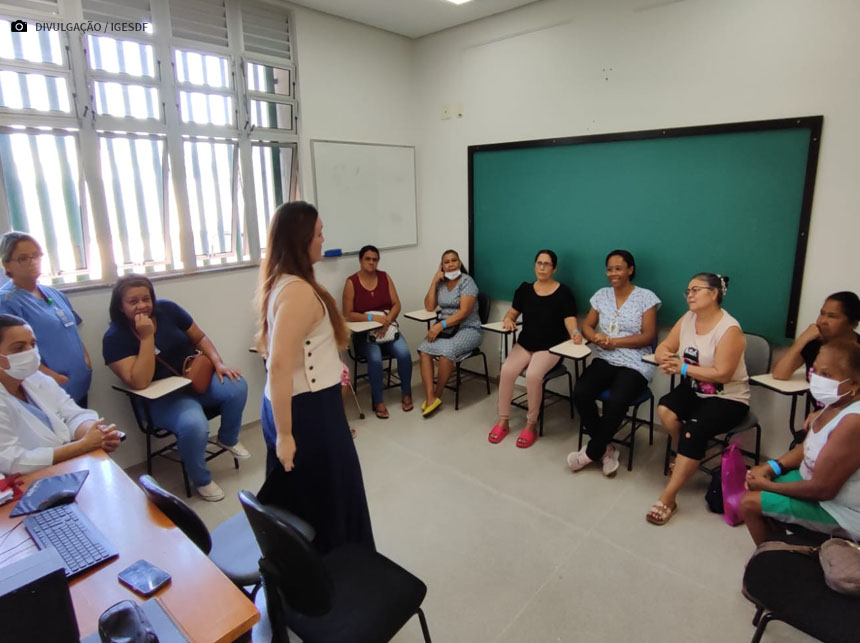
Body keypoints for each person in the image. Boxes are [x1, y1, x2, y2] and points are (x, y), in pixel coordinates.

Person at [255, 201, 374, 553]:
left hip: (305, 402)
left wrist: (329, 365)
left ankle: (326, 567)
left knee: (316, 493)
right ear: (301, 240)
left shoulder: (285, 282)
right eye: (319, 234)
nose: (324, 239)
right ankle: (339, 570)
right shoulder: (297, 292)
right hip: (306, 412)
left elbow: (300, 347)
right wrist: (287, 434)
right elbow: (277, 364)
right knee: (332, 494)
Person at [102, 275, 248, 502]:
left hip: (195, 381)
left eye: (146, 299)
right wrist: (147, 337)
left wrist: (219, 363)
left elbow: (200, 337)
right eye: (133, 301)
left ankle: (227, 438)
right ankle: (201, 479)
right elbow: (139, 382)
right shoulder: (113, 338)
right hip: (161, 398)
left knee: (237, 385)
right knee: (194, 423)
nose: (142, 305)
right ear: (120, 306)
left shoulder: (168, 309)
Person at [648, 273, 749, 525]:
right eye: (688, 290)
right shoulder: (689, 318)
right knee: (665, 410)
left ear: (714, 294)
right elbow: (665, 346)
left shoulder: (729, 329)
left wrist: (681, 368)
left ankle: (669, 497)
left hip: (728, 396)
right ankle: (687, 452)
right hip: (695, 389)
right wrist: (665, 357)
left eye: (696, 290)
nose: (689, 295)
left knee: (694, 429)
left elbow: (722, 373)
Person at [741, 341, 860, 544]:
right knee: (753, 484)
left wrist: (768, 485)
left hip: (837, 508)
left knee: (749, 503)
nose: (816, 379)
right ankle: (783, 551)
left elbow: (822, 489)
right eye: (815, 370)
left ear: (855, 385)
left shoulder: (853, 422)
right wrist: (771, 467)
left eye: (827, 375)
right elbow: (807, 448)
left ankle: (770, 558)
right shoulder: (835, 404)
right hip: (813, 484)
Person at [567, 250, 660, 476]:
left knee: (618, 399)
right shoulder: (601, 295)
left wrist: (615, 341)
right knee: (581, 392)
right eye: (609, 269)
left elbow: (648, 336)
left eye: (618, 268)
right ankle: (606, 449)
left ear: (630, 269)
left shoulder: (646, 297)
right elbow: (587, 325)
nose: (613, 273)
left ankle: (592, 451)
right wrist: (592, 335)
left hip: (636, 361)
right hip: (606, 357)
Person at [0, 315, 122, 474]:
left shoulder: (36, 379)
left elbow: (72, 413)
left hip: (65, 467)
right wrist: (83, 445)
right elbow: (11, 461)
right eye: (18, 348)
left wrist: (97, 433)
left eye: (33, 344)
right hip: (24, 484)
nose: (30, 352)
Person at [488, 249, 579, 448]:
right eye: (539, 263)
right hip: (525, 343)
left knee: (533, 375)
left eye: (547, 264)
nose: (542, 267)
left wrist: (574, 333)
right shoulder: (525, 289)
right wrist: (508, 320)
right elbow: (512, 313)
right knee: (507, 371)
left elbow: (570, 320)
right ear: (534, 265)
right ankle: (503, 420)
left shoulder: (564, 292)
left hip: (551, 347)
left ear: (554, 269)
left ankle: (531, 424)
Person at [0, 232, 92, 407]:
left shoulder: (54, 293)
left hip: (79, 386)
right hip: (47, 391)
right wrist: (52, 377)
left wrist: (85, 361)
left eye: (36, 255)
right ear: (7, 264)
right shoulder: (7, 301)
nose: (32, 262)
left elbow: (72, 331)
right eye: (23, 258)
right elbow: (13, 353)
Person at [342, 244, 413, 419]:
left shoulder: (384, 277)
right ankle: (378, 401)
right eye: (368, 259)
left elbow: (397, 304)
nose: (371, 263)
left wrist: (386, 321)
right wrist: (371, 319)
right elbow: (347, 314)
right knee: (375, 359)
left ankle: (406, 393)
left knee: (404, 354)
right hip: (365, 335)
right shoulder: (351, 282)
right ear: (360, 261)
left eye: (375, 259)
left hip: (387, 330)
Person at [416, 249, 484, 417]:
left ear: (459, 263)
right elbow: (429, 307)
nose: (451, 264)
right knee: (424, 350)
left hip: (469, 328)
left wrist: (439, 326)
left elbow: (464, 312)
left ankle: (438, 394)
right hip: (446, 329)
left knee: (446, 353)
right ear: (442, 266)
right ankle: (430, 396)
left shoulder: (467, 282)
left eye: (454, 260)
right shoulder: (441, 283)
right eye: (446, 262)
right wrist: (434, 281)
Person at [772, 291, 859, 380]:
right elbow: (779, 374)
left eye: (832, 316)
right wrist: (802, 339)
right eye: (822, 313)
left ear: (853, 324)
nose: (822, 321)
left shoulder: (856, 350)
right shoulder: (814, 342)